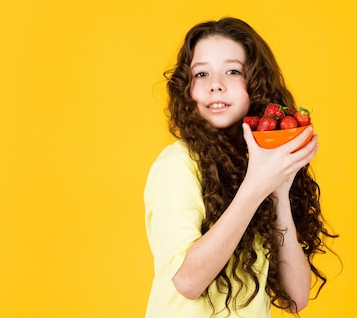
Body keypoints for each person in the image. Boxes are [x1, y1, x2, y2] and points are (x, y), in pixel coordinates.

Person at [143, 17, 337, 318]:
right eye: (201, 73)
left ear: (255, 84)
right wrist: (257, 184)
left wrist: (278, 192)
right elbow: (188, 281)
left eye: (232, 71)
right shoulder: (178, 164)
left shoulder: (253, 167)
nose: (216, 85)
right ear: (188, 88)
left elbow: (296, 297)